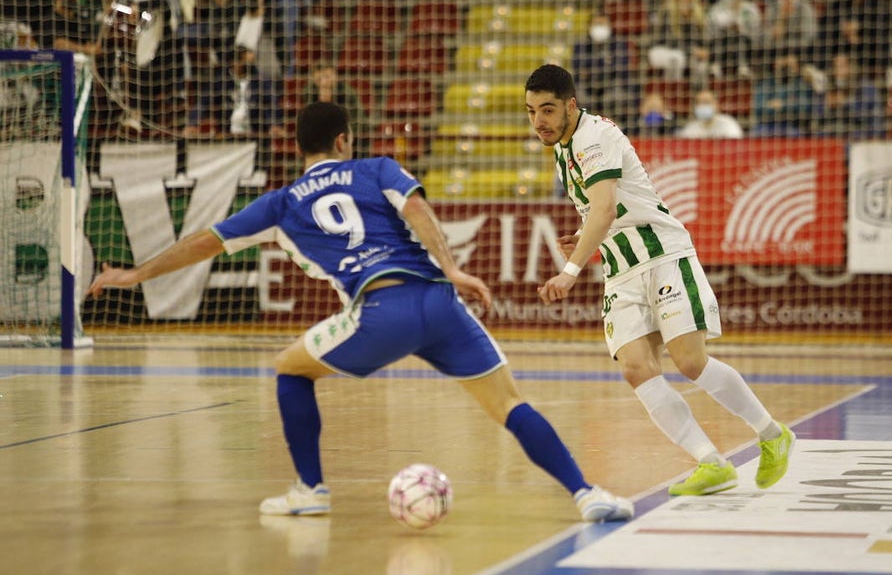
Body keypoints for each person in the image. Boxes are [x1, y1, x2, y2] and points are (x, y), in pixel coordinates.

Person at [88, 101, 634, 523]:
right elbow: (417, 208)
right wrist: (453, 271)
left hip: (379, 310)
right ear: (344, 140)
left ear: (298, 147)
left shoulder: (280, 202)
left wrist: (133, 275)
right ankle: (587, 495)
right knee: (511, 404)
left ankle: (310, 491)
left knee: (289, 368)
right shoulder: (375, 168)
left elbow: (202, 243)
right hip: (438, 302)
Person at [525, 64, 795, 497]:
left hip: (662, 255)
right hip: (622, 269)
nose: (539, 121)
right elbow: (610, 208)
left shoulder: (594, 137)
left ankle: (771, 433)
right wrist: (581, 235)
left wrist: (571, 268)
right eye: (532, 111)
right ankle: (712, 463)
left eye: (548, 110)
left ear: (570, 106)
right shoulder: (562, 146)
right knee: (636, 369)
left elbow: (607, 210)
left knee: (690, 362)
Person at [676, 89, 745, 139]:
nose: (702, 106)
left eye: (706, 102)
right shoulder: (691, 128)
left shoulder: (729, 124)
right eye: (698, 103)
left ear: (716, 105)